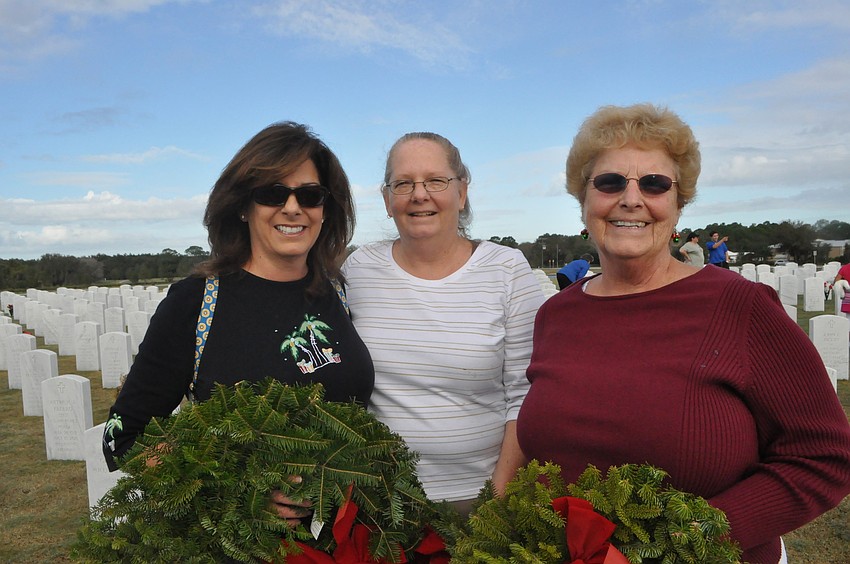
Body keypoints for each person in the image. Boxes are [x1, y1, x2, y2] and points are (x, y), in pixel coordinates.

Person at [516, 103, 850, 564]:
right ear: (584, 201)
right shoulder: (556, 314)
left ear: (677, 204)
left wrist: (680, 547)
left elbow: (823, 455)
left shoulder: (742, 308)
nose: (631, 199)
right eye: (610, 182)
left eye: (653, 184)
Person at [102, 122, 375, 522]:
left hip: (350, 535)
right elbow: (125, 438)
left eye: (311, 195)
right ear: (243, 206)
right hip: (242, 543)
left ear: (325, 209)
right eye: (272, 193)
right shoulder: (196, 302)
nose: (293, 207)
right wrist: (239, 490)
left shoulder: (337, 293)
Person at [342, 132, 545, 513]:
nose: (420, 195)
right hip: (381, 503)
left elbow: (526, 394)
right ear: (387, 200)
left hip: (480, 500)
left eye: (436, 181)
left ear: (462, 192)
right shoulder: (358, 269)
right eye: (403, 184)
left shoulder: (507, 269)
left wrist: (495, 504)